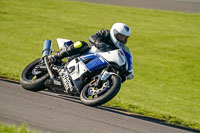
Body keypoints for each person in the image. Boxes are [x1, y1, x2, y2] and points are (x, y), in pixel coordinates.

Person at [50, 22, 134, 80]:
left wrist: (126, 72)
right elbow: (92, 37)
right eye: (120, 36)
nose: (122, 39)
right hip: (88, 52)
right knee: (80, 44)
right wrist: (99, 44)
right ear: (114, 32)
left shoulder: (119, 50)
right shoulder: (105, 33)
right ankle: (56, 57)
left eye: (124, 38)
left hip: (99, 63)